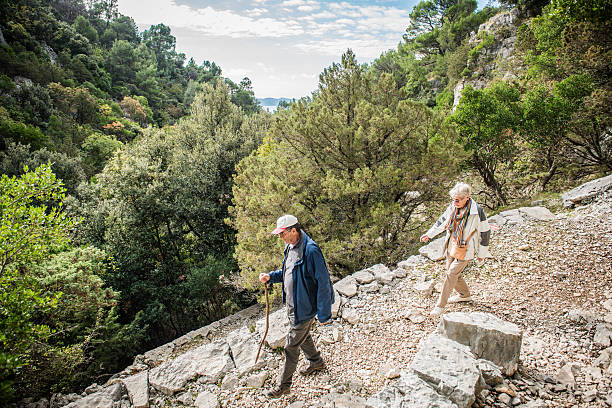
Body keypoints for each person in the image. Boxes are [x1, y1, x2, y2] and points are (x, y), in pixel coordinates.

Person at [259, 214, 335, 398]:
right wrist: (271, 276)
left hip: (305, 307)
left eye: (283, 233)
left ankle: (283, 385)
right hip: (293, 305)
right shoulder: (290, 246)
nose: (280, 237)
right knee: (303, 335)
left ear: (294, 230)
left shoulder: (311, 250)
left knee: (291, 346)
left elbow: (323, 283)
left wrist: (324, 314)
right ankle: (316, 361)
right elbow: (287, 271)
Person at [420, 183, 490, 317]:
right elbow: (442, 221)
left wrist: (482, 253)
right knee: (452, 273)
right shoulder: (453, 206)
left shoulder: (477, 211)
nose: (455, 202)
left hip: (467, 247)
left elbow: (485, 232)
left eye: (458, 199)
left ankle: (440, 306)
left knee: (451, 273)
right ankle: (464, 295)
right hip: (452, 243)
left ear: (467, 198)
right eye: (453, 199)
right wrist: (429, 234)